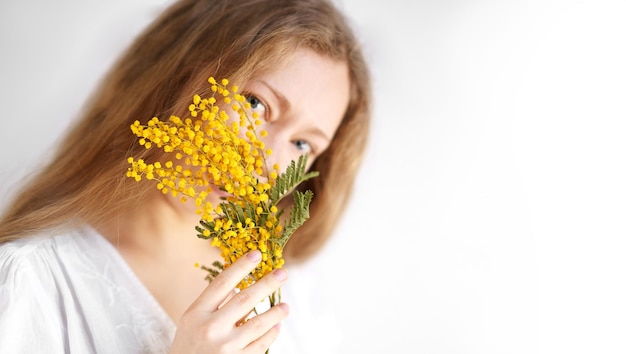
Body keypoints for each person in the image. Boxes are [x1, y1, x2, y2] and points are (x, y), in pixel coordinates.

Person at [0, 0, 371, 352]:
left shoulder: (290, 290)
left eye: (303, 144)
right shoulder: (34, 282)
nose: (266, 161)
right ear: (176, 76)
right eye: (255, 104)